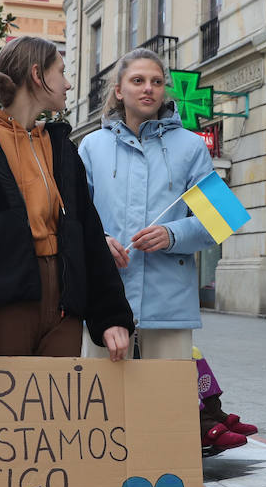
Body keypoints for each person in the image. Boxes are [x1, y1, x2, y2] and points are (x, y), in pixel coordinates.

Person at [77, 48, 256, 452]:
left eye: (157, 82)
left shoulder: (191, 147)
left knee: (167, 415)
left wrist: (172, 234)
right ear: (119, 90)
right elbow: (73, 219)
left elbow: (221, 218)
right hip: (106, 299)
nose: (148, 89)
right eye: (138, 81)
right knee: (97, 408)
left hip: (168, 303)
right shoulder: (91, 148)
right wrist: (98, 243)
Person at [0, 35, 132, 369]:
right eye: (61, 71)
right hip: (3, 306)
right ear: (37, 75)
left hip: (64, 308)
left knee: (58, 414)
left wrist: (111, 316)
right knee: (1, 417)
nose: (68, 82)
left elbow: (88, 234)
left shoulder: (62, 146)